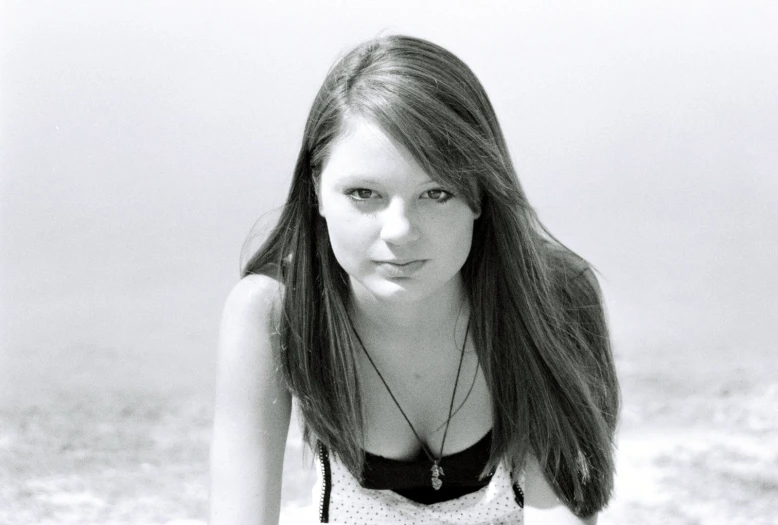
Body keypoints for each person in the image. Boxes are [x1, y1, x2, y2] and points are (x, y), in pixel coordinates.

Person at [209, 35, 620, 525]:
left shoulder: (553, 297)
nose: (399, 232)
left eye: (436, 193)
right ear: (316, 191)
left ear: (480, 196)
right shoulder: (274, 313)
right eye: (364, 193)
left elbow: (565, 511)